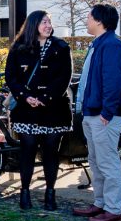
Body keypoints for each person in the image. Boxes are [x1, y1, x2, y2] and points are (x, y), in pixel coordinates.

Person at [5, 11, 73, 210]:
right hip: (26, 109)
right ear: (33, 24)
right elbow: (11, 76)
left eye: (49, 22)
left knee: (51, 151)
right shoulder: (19, 48)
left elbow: (64, 77)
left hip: (54, 109)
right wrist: (25, 96)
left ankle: (50, 194)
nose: (48, 25)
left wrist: (45, 98)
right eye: (44, 22)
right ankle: (24, 193)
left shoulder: (61, 47)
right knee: (27, 149)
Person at [72, 3, 121, 221]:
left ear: (99, 21)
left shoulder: (111, 46)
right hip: (94, 112)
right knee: (96, 161)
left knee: (107, 162)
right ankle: (100, 203)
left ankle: (114, 209)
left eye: (89, 17)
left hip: (104, 115)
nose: (86, 20)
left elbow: (114, 81)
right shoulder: (99, 44)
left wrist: (107, 111)